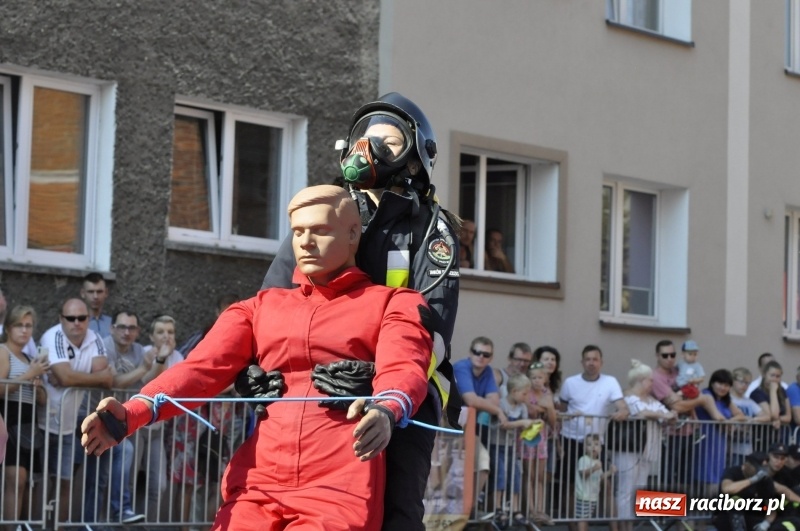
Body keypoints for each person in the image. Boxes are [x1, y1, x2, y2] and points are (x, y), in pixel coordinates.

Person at [81, 185, 432, 530]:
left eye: (320, 230)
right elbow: (199, 370)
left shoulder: (394, 302)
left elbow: (404, 366)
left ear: (353, 233)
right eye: (298, 232)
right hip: (258, 481)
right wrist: (132, 414)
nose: (306, 242)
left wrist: (388, 408)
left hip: (339, 485)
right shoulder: (258, 308)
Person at [254, 93, 460, 531]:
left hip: (406, 398)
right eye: (365, 138)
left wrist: (382, 382)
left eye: (388, 142)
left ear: (412, 160)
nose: (371, 149)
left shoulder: (428, 227)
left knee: (395, 513)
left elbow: (435, 331)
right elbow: (270, 304)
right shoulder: (325, 211)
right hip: (316, 391)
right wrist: (255, 366)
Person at [39, 298, 113, 525]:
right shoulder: (53, 336)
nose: (76, 323)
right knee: (34, 481)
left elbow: (107, 379)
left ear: (88, 319)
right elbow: (66, 376)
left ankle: (56, 529)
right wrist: (90, 378)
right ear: (61, 319)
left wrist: (72, 379)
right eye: (70, 318)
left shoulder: (95, 338)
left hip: (69, 425)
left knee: (65, 482)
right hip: (40, 420)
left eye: (82, 318)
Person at [84, 310, 149, 524]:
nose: (126, 332)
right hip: (95, 416)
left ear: (138, 331)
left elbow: (148, 382)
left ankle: (116, 514)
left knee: (110, 473)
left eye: (131, 328)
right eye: (122, 327)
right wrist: (143, 369)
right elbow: (114, 382)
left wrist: (154, 363)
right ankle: (97, 520)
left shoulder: (139, 350)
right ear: (112, 328)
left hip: (122, 420)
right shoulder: (104, 346)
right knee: (97, 478)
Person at [558, 345, 628, 527]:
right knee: (571, 485)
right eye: (587, 359)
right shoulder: (570, 383)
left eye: (595, 359)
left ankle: (614, 528)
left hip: (597, 443)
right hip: (571, 439)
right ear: (582, 362)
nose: (591, 363)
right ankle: (574, 528)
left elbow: (622, 406)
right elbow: (562, 410)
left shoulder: (610, 381)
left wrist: (622, 412)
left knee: (606, 485)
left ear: (601, 362)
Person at [651, 339, 725, 494]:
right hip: (669, 434)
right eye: (665, 355)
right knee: (668, 477)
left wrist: (696, 399)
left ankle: (679, 516)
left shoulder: (679, 370)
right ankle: (663, 516)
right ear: (658, 356)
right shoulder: (656, 377)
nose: (670, 358)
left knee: (685, 478)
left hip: (689, 432)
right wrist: (701, 400)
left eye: (672, 354)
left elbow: (693, 388)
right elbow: (676, 405)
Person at [611, 360, 675, 531]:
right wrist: (664, 415)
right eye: (650, 380)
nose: (652, 383)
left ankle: (631, 525)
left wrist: (669, 414)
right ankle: (624, 527)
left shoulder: (651, 399)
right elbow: (642, 413)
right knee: (625, 489)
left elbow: (665, 413)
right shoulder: (628, 397)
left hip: (648, 449)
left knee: (639, 489)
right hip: (629, 448)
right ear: (640, 380)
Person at [0, 305, 48, 524]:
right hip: (8, 418)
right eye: (19, 325)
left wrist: (37, 385)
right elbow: (0, 387)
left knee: (27, 481)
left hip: (28, 423)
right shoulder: (3, 351)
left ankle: (19, 525)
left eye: (28, 326)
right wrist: (29, 375)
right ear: (9, 328)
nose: (24, 330)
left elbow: (43, 400)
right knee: (15, 479)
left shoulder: (31, 358)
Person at [453, 337, 504, 510]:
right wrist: (495, 410)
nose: (481, 356)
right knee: (451, 473)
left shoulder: (488, 371)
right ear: (470, 353)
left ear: (491, 357)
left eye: (486, 354)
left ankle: (470, 509)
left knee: (483, 465)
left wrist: (488, 405)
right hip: (448, 430)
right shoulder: (461, 367)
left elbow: (494, 400)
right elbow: (471, 399)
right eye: (477, 352)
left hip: (470, 431)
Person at [694, 369, 745, 496]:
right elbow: (718, 417)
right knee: (706, 471)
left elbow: (740, 415)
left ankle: (713, 506)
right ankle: (703, 505)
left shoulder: (725, 400)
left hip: (720, 441)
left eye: (727, 385)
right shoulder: (706, 395)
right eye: (720, 383)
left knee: (718, 470)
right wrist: (728, 423)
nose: (723, 387)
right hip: (705, 438)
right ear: (712, 383)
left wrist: (730, 421)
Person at [492, 373, 534, 529]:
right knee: (500, 476)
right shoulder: (502, 404)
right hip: (497, 445)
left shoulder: (522, 407)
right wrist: (523, 422)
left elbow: (522, 428)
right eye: (524, 393)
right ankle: (498, 508)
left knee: (515, 477)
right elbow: (504, 425)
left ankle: (516, 510)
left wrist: (532, 427)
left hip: (512, 447)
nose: (526, 396)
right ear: (514, 391)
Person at [523, 361, 556, 526]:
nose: (536, 380)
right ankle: (531, 509)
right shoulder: (527, 392)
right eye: (533, 377)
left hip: (542, 436)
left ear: (545, 379)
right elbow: (531, 410)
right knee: (530, 474)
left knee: (541, 475)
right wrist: (544, 407)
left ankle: (540, 509)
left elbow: (553, 420)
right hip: (528, 435)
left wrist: (548, 408)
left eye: (540, 377)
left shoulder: (546, 393)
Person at [715, 452, 778, 531]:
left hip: (752, 515)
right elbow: (727, 489)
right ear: (747, 464)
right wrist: (753, 480)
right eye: (758, 467)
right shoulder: (733, 471)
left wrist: (765, 524)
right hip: (726, 516)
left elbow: (771, 509)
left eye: (764, 468)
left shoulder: (765, 480)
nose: (761, 471)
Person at [575, 433, 616, 531]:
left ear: (601, 448)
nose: (593, 447)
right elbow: (583, 474)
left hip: (592, 497)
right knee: (582, 520)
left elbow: (600, 478)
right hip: (583, 496)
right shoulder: (583, 460)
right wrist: (593, 469)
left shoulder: (597, 462)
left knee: (586, 520)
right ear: (585, 448)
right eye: (589, 444)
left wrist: (610, 472)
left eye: (596, 444)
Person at [730, 367, 771, 465]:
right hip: (729, 446)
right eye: (741, 382)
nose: (744, 386)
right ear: (733, 381)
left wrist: (752, 419)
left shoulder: (749, 402)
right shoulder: (728, 399)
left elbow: (767, 416)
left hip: (746, 447)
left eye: (747, 383)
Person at [751, 360, 792, 446]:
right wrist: (773, 391)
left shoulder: (782, 391)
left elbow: (788, 417)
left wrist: (778, 420)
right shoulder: (757, 393)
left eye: (778, 376)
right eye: (772, 375)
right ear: (764, 375)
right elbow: (773, 414)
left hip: (781, 436)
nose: (775, 379)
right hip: (763, 438)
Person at [81, 272, 112, 339]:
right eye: (91, 292)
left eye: (99, 292)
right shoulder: (77, 323)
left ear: (106, 293)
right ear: (83, 293)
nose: (95, 296)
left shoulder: (113, 323)